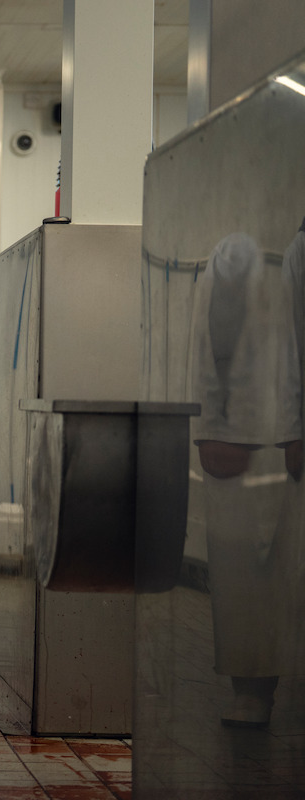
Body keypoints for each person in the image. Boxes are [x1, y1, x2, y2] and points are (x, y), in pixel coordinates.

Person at [191, 231, 302, 727]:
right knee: (247, 570)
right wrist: (218, 428)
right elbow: (218, 341)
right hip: (257, 440)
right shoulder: (243, 253)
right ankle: (252, 687)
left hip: (278, 433)